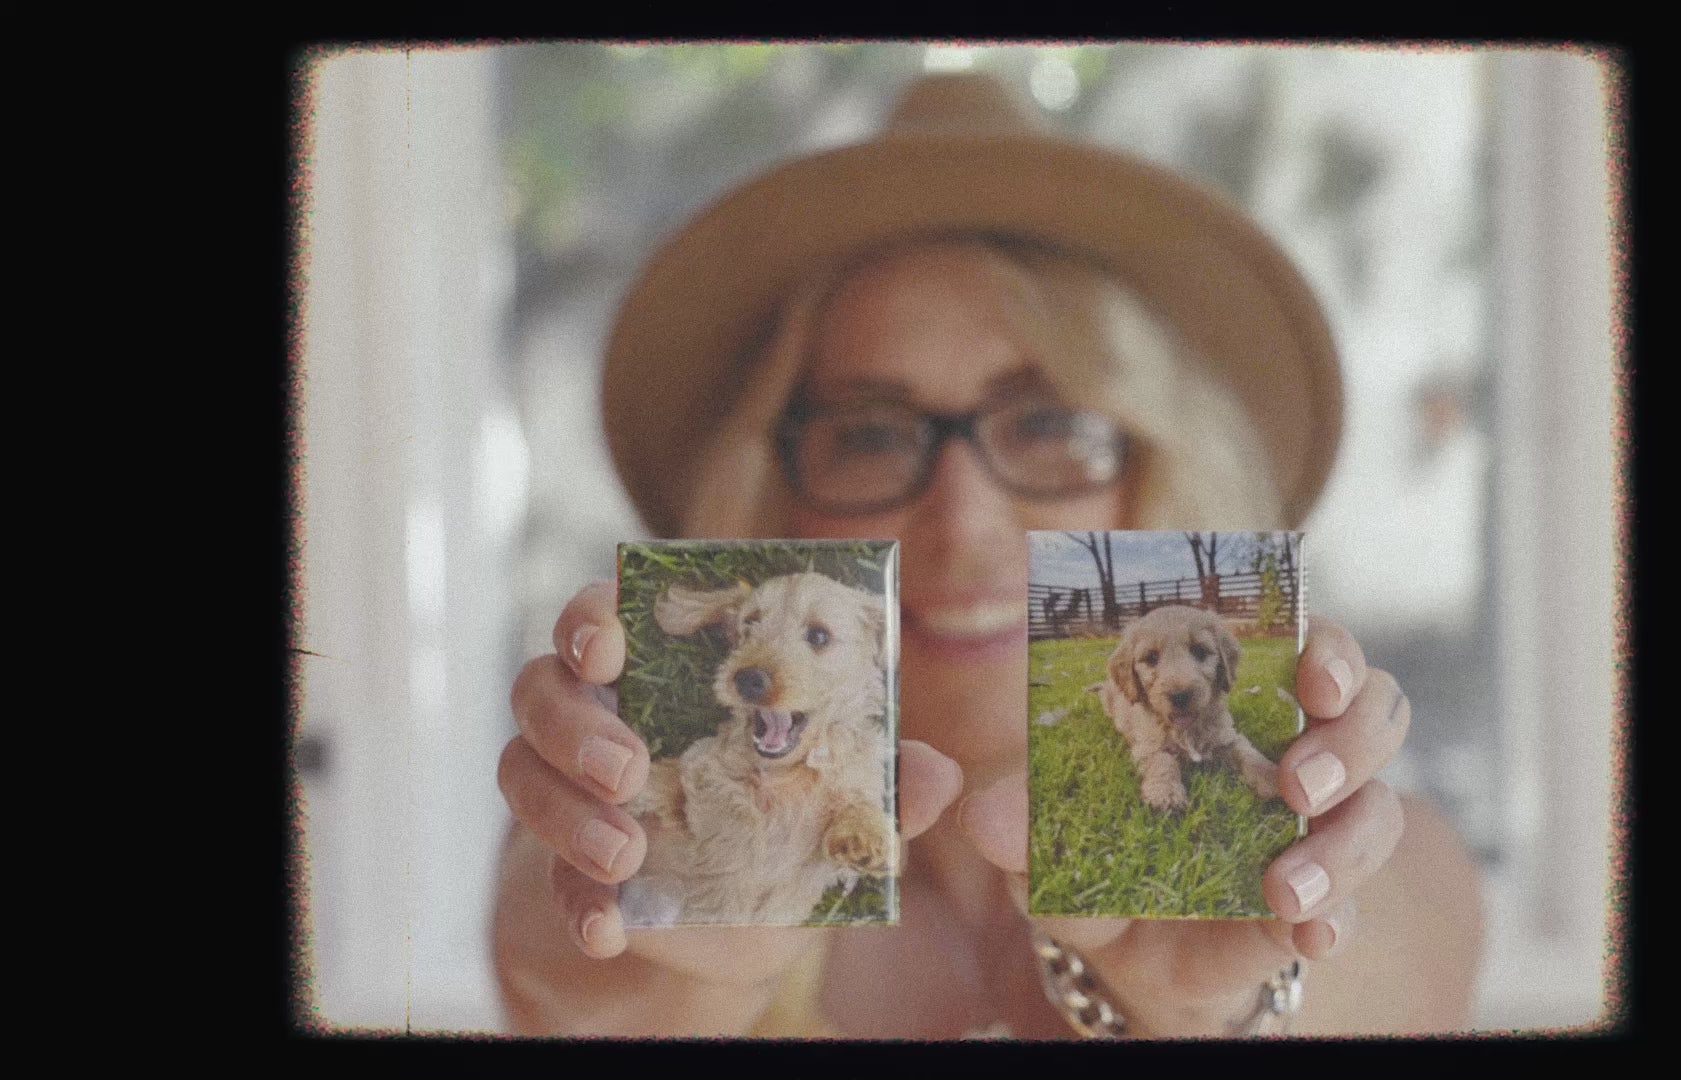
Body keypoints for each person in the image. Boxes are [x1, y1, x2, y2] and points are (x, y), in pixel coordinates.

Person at [493, 72, 1483, 1039]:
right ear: (772, 498)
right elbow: (568, 971)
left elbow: (1404, 949)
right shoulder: (657, 825)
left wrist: (1225, 1004)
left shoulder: (1360, 836)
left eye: (1047, 425)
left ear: (1159, 476)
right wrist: (664, 952)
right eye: (872, 435)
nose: (962, 520)